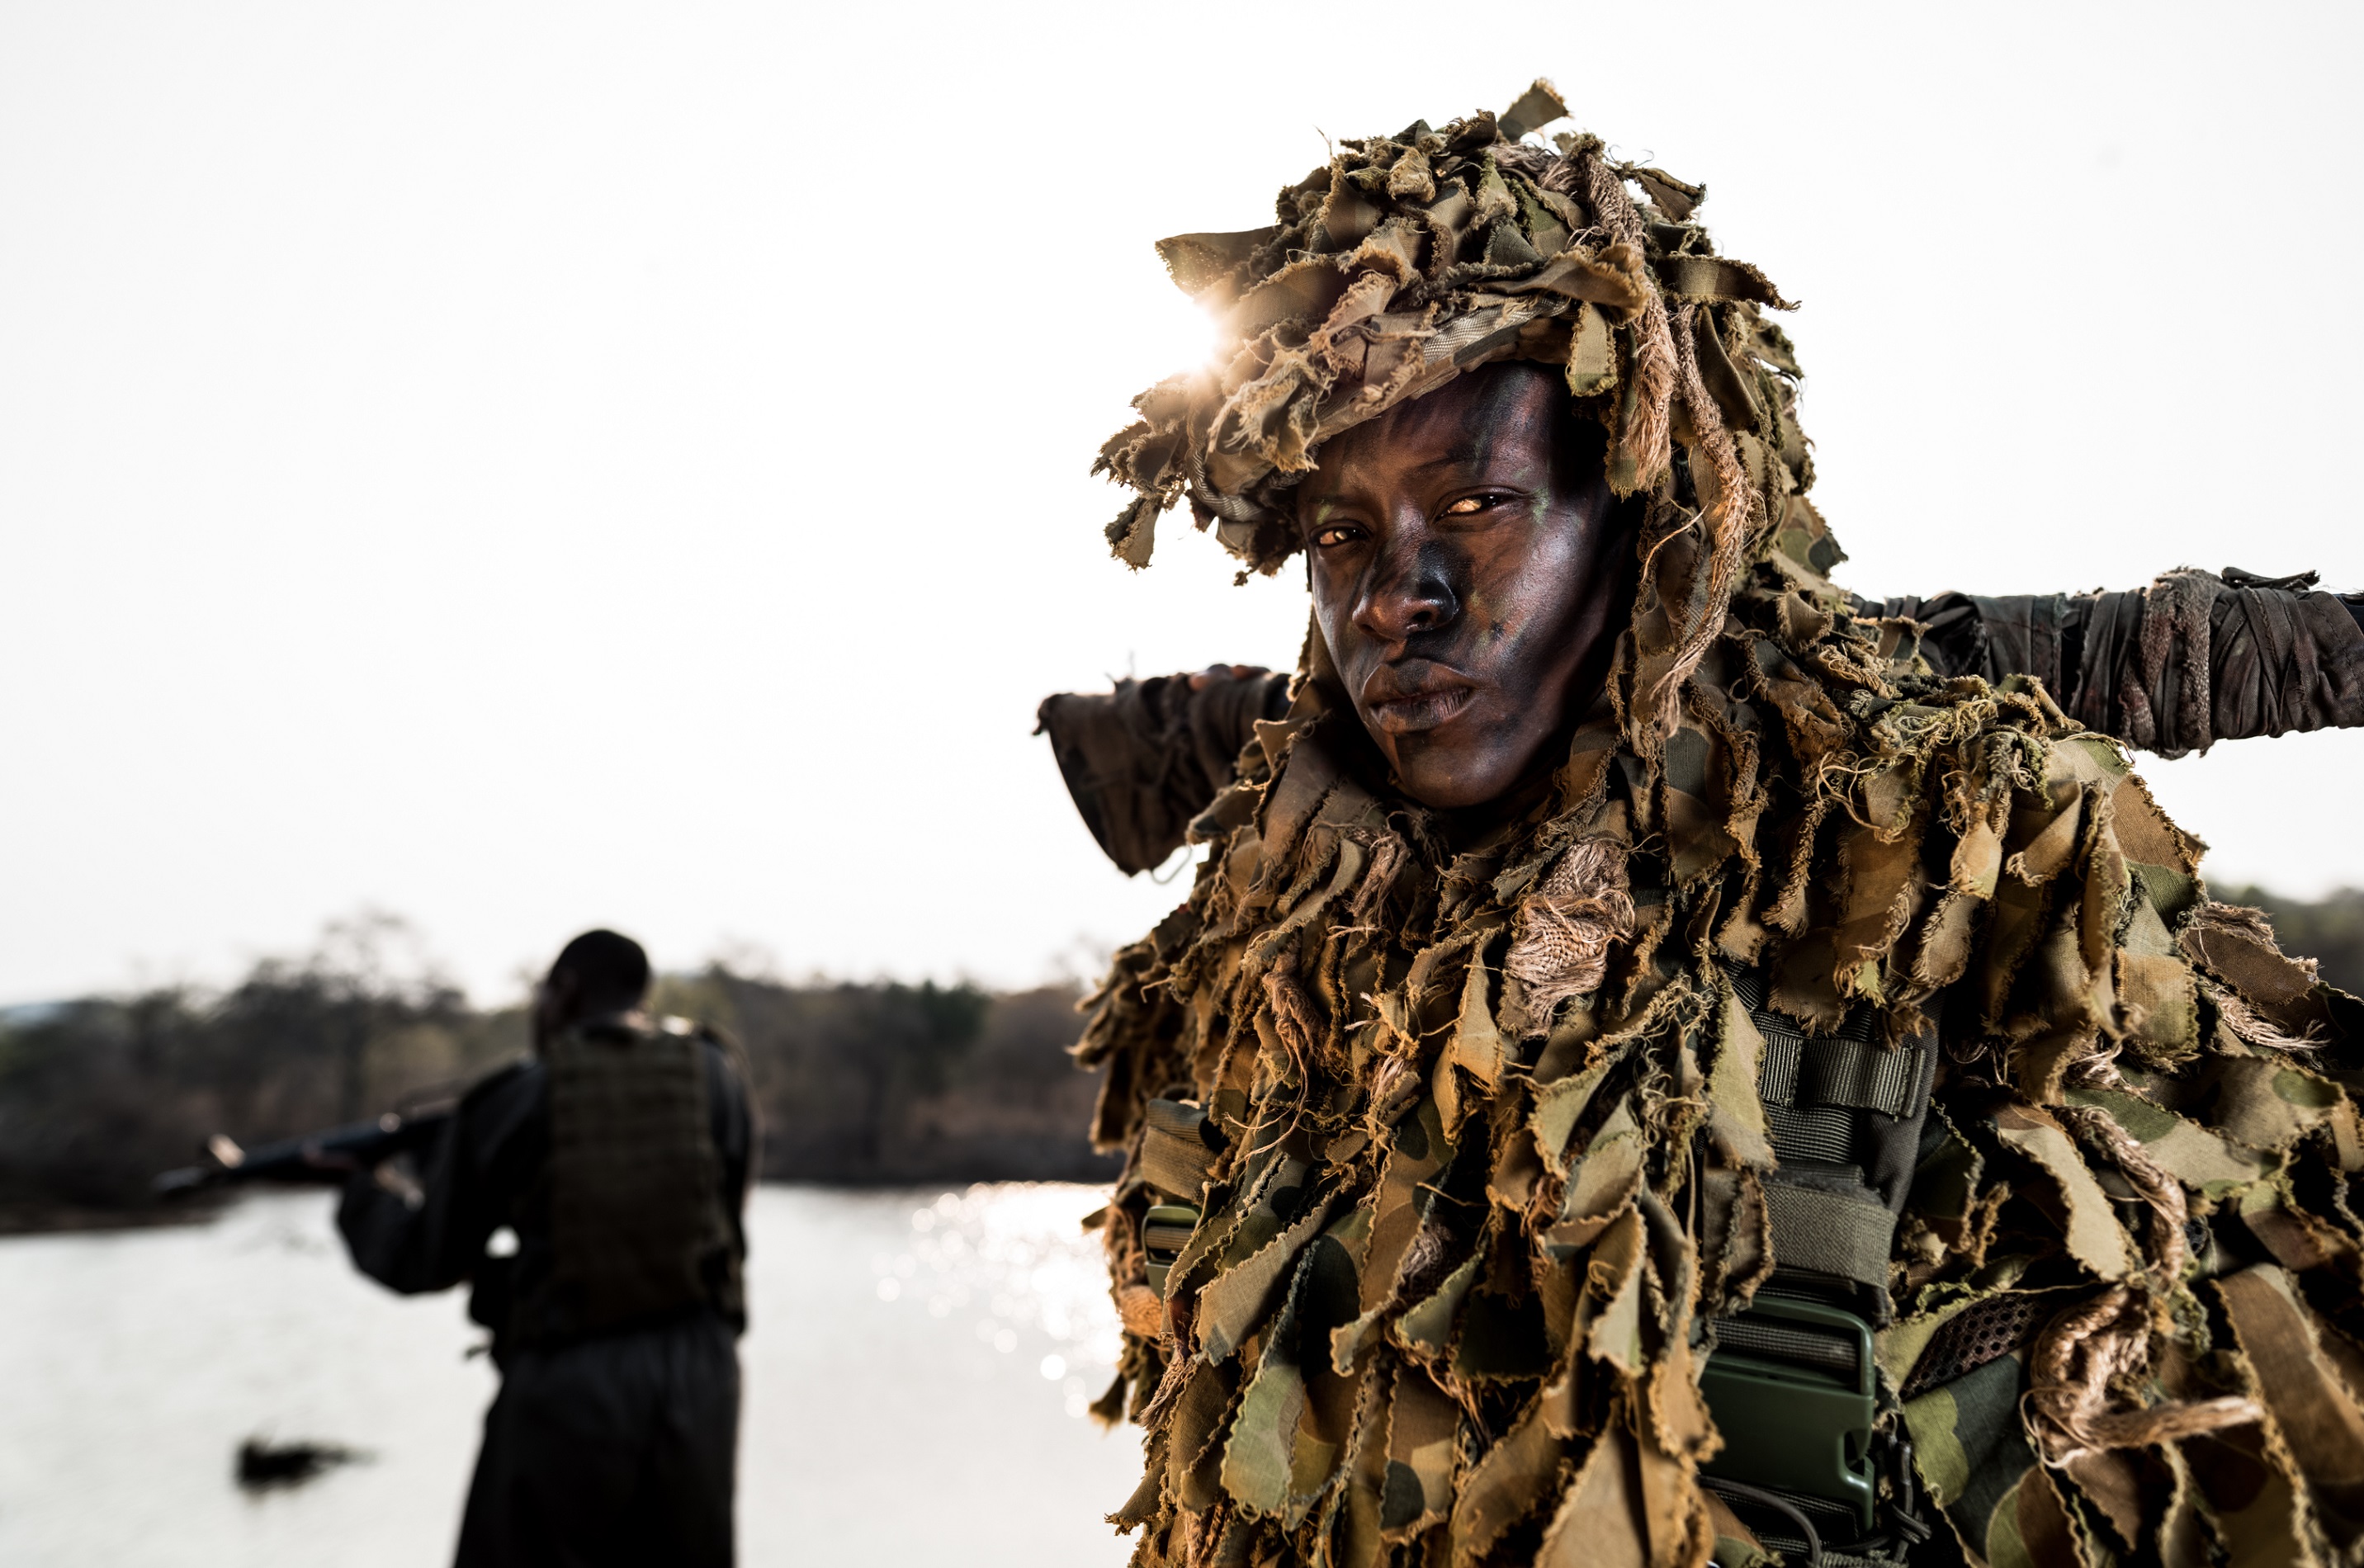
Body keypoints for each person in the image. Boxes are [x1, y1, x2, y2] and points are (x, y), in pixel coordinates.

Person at [1064, 81, 2364, 1568]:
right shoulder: (1265, 953)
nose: (1387, 601)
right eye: (1341, 536)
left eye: (1476, 507)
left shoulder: (1912, 900)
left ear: (1647, 533)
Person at [337, 929, 754, 1568]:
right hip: (702, 1377)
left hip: (573, 1382)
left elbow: (422, 1260)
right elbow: (726, 1228)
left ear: (565, 991)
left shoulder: (514, 1100)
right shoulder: (714, 1076)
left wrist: (360, 1191)